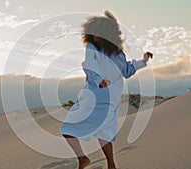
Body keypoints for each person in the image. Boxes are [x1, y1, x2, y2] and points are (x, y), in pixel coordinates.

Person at [60, 10, 153, 169]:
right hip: (93, 96)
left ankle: (109, 164)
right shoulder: (92, 48)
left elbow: (127, 71)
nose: (96, 36)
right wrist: (98, 79)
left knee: (103, 133)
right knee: (69, 129)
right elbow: (89, 64)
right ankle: (85, 159)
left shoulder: (118, 53)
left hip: (110, 100)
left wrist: (143, 61)